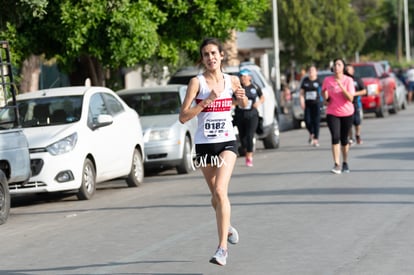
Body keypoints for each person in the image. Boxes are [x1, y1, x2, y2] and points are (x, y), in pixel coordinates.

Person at [179, 38, 248, 266]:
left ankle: (222, 249)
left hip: (227, 142)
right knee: (215, 197)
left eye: (213, 53)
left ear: (221, 55)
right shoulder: (196, 83)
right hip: (205, 145)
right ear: (203, 59)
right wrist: (207, 101)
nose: (210, 58)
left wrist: (243, 98)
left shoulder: (232, 80)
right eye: (206, 54)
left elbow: (244, 103)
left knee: (220, 189)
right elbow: (183, 116)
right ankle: (226, 225)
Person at [322, 58, 355, 174]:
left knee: (344, 139)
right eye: (335, 64)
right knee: (335, 137)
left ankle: (345, 162)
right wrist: (326, 99)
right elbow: (324, 91)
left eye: (339, 64)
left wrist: (342, 87)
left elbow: (351, 98)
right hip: (332, 112)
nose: (336, 66)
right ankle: (337, 164)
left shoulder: (349, 80)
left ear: (343, 67)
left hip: (347, 112)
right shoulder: (327, 80)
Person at [234, 68, 264, 167]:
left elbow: (262, 97)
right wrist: (238, 103)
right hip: (240, 115)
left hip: (252, 114)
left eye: (245, 76)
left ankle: (249, 157)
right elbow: (232, 101)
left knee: (250, 135)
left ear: (249, 77)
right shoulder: (237, 88)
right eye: (241, 76)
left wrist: (258, 103)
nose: (243, 78)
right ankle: (246, 149)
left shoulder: (255, 87)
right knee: (243, 138)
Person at [300, 65, 321, 147]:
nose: (311, 72)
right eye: (310, 70)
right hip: (308, 104)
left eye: (313, 70)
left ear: (316, 72)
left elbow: (323, 91)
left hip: (316, 103)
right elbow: (301, 93)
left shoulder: (318, 81)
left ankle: (316, 138)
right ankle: (311, 132)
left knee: (316, 121)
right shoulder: (305, 81)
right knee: (307, 120)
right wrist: (302, 102)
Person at [345, 64, 367, 145]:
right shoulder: (343, 80)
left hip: (355, 103)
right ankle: (350, 137)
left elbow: (364, 91)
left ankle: (357, 135)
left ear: (353, 71)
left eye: (349, 69)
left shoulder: (357, 80)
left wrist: (354, 93)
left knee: (357, 122)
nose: (347, 71)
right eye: (346, 69)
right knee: (348, 123)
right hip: (346, 104)